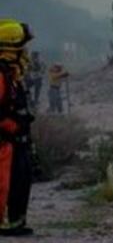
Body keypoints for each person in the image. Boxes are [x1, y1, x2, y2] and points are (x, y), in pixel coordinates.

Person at [0, 20, 35, 236]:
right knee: (5, 184)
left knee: (20, 183)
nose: (25, 52)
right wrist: (12, 128)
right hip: (5, 143)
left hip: (17, 143)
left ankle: (16, 223)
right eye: (22, 46)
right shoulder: (1, 76)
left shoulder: (11, 75)